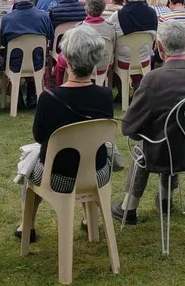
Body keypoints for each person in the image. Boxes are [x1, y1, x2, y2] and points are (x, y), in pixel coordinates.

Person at [113, 20, 185, 224]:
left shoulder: (154, 79)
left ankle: (129, 207)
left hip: (166, 154)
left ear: (159, 47)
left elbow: (129, 126)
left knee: (148, 143)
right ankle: (165, 200)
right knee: (168, 135)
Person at [16, 25, 114, 241]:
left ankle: (27, 225)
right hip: (97, 173)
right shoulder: (105, 95)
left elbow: (39, 137)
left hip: (57, 176)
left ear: (67, 60)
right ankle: (89, 219)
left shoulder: (49, 98)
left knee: (29, 164)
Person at [0, 0, 51, 106]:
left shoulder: (7, 19)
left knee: (12, 54)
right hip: (38, 61)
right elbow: (50, 37)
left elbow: (3, 42)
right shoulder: (43, 16)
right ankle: (31, 93)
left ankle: (19, 96)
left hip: (14, 63)